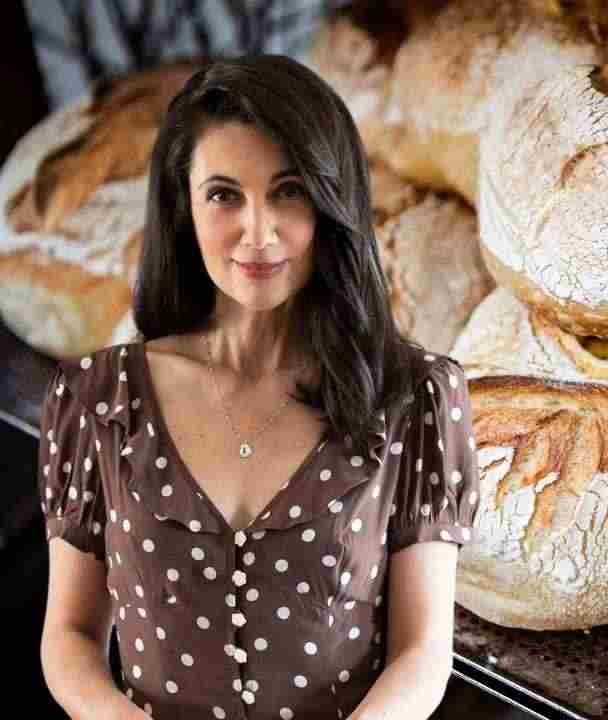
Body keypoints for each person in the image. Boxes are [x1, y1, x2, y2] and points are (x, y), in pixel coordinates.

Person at [37, 54, 481, 720]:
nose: (259, 233)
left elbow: (422, 654)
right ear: (182, 207)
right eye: (224, 195)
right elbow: (69, 636)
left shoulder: (418, 398)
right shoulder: (97, 399)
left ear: (331, 203)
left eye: (288, 191)